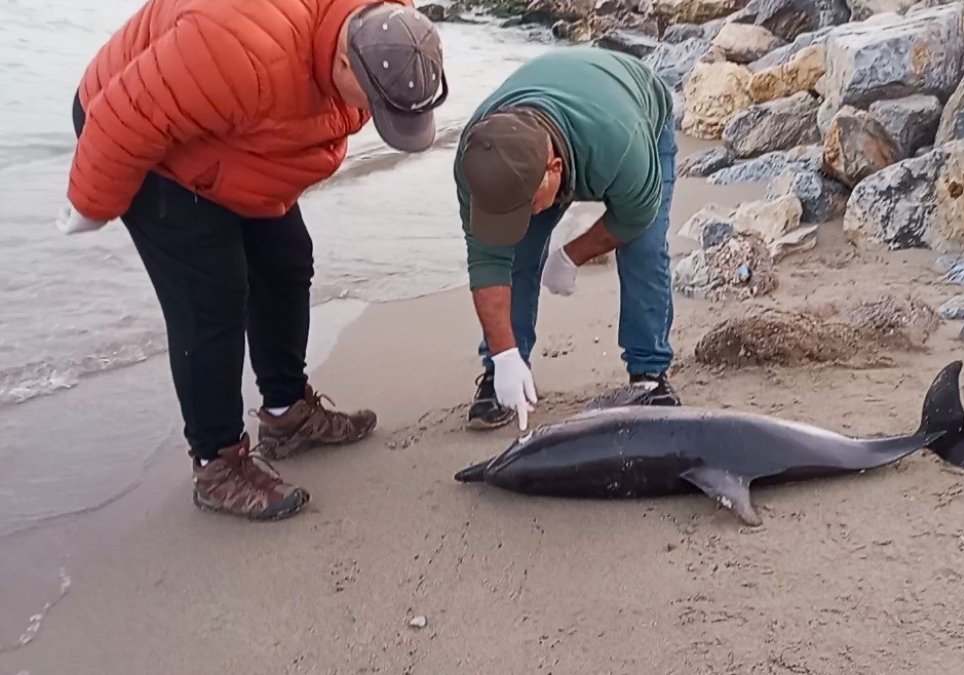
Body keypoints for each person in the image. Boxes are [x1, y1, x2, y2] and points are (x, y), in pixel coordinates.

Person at [58, 0, 447, 521]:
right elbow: (124, 117)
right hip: (133, 131)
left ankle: (286, 414)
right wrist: (91, 204)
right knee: (211, 296)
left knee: (286, 261)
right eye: (378, 104)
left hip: (234, 129)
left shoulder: (390, 28)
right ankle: (215, 465)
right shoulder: (241, 46)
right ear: (344, 62)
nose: (379, 118)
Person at [452, 47, 680, 432]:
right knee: (518, 253)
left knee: (644, 250)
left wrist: (572, 255)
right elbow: (487, 262)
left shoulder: (620, 145)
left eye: (523, 206)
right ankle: (500, 373)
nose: (518, 217)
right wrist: (504, 355)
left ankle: (649, 375)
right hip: (553, 116)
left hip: (635, 113)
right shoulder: (477, 161)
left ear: (554, 170)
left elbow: (634, 219)